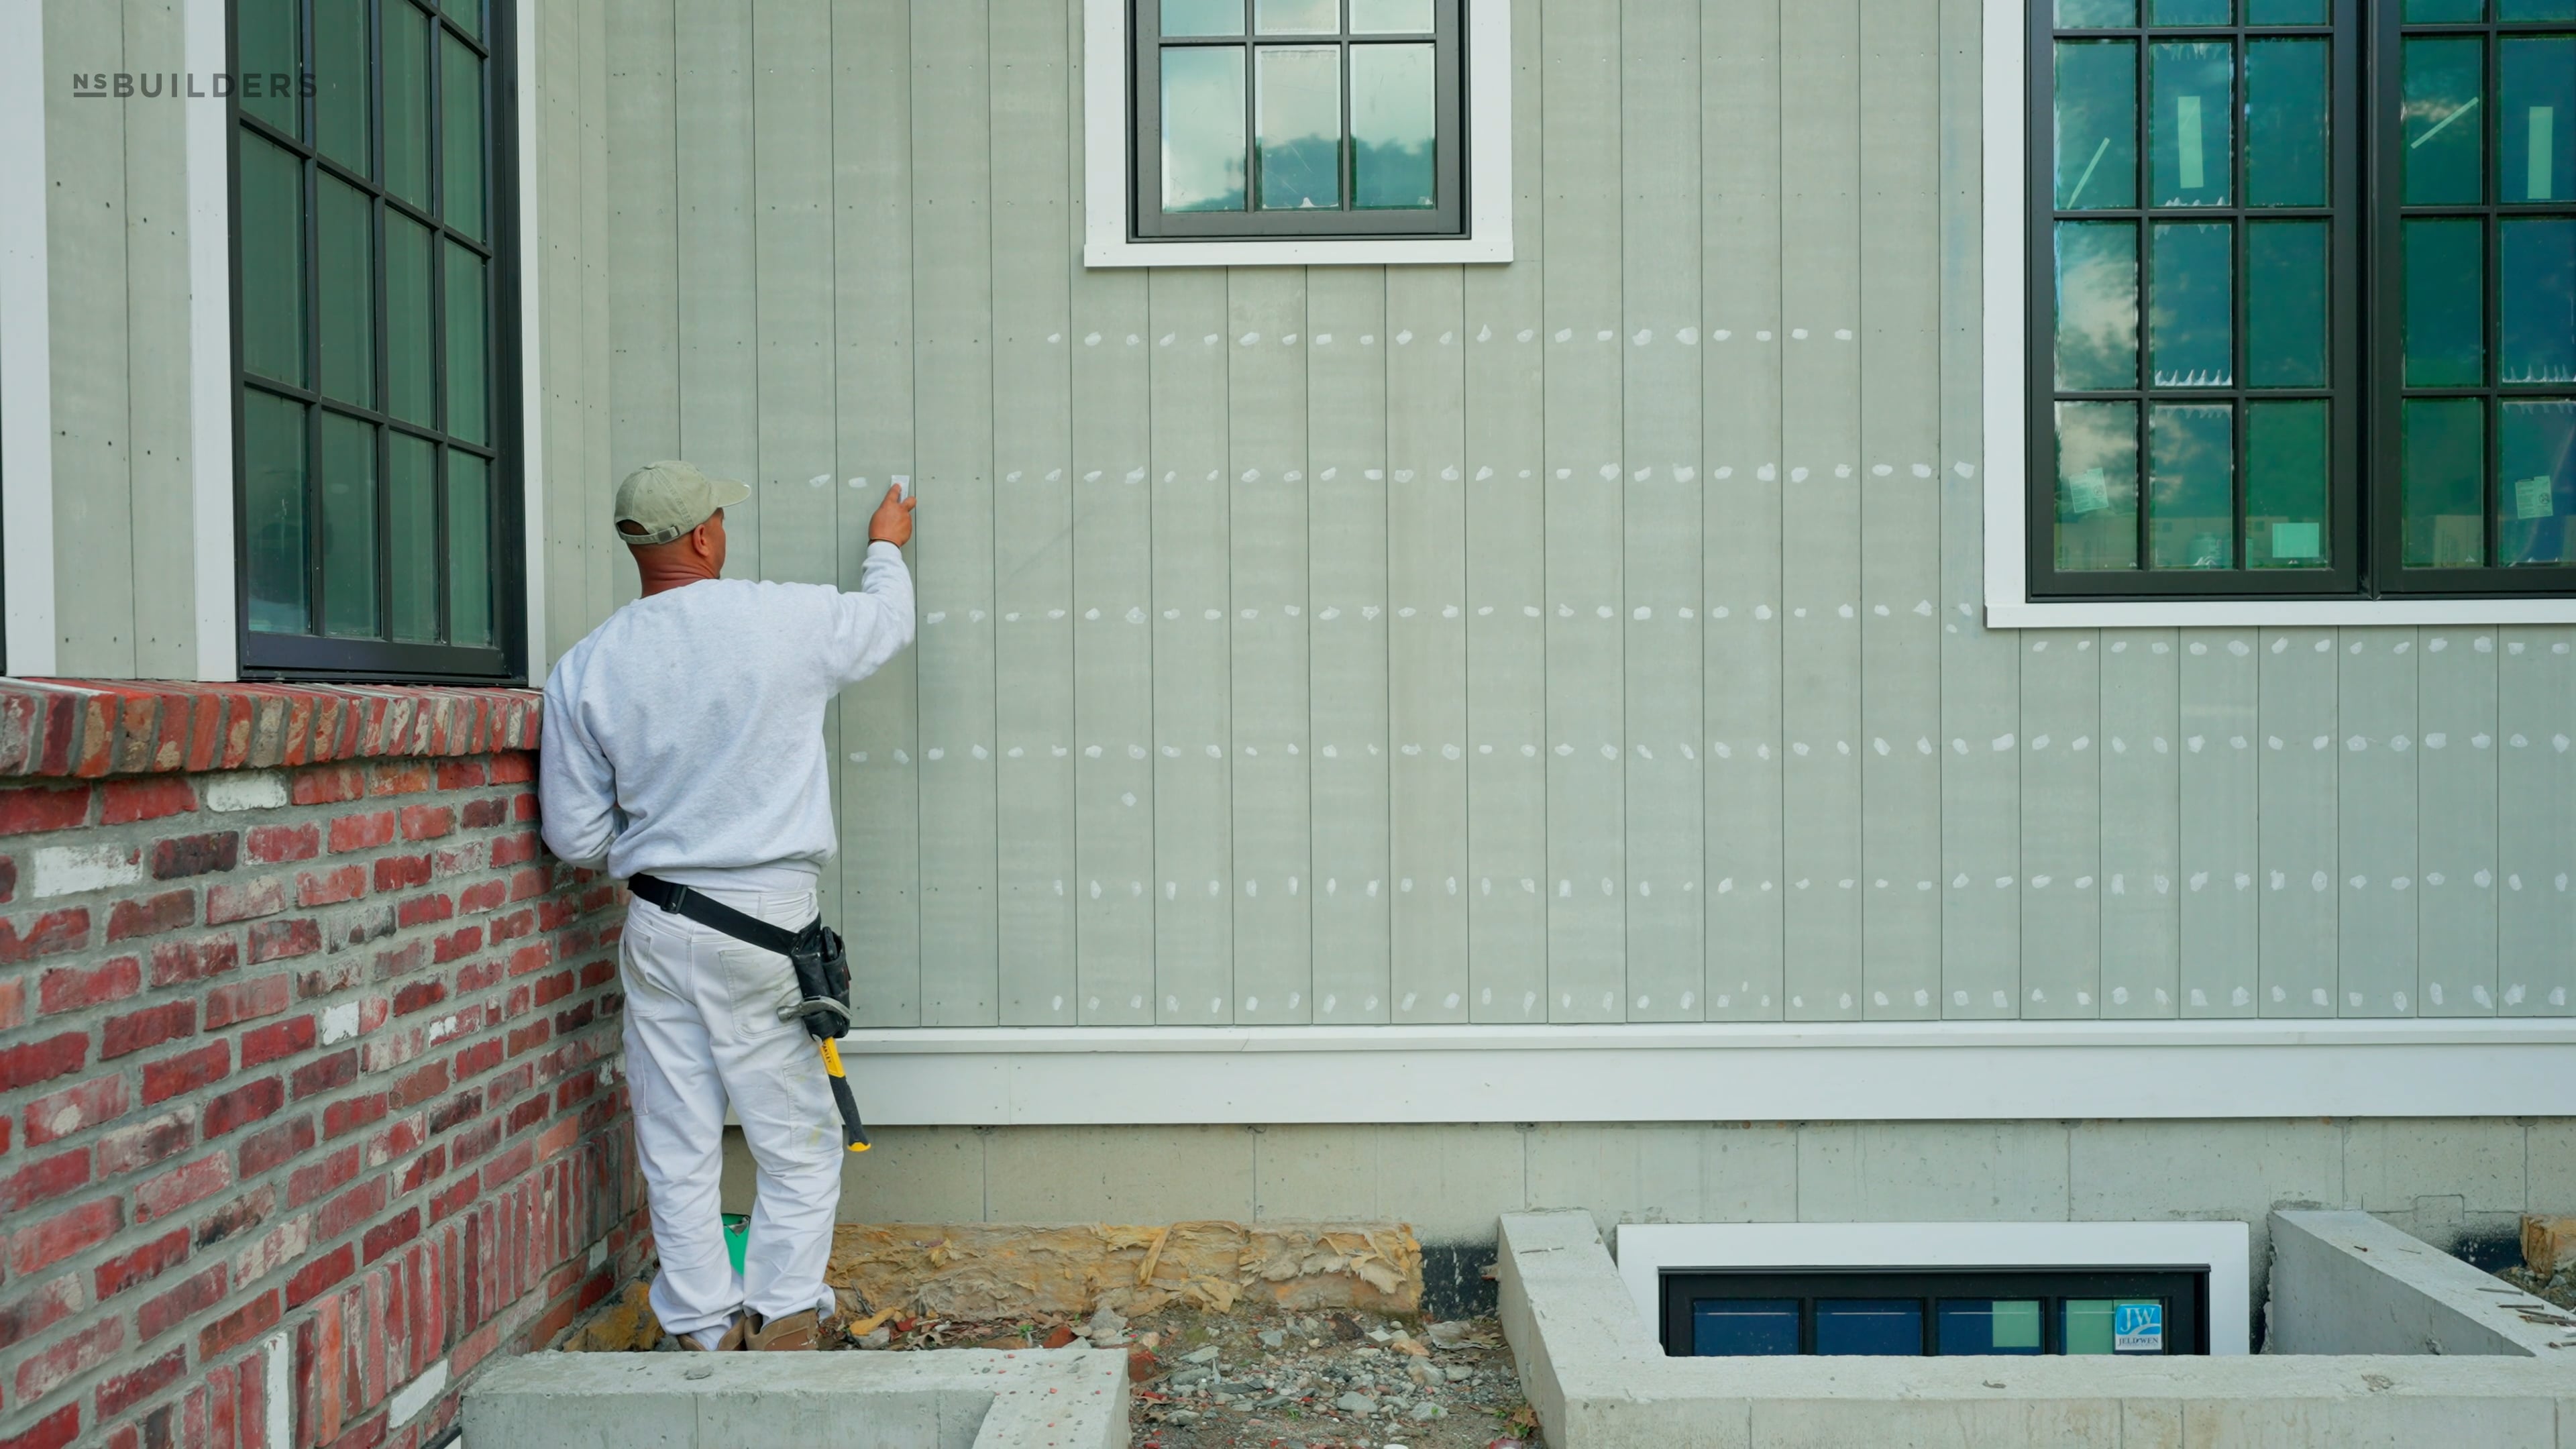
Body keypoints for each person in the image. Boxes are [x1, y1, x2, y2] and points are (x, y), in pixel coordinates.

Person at [538, 461, 915, 1351]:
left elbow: (576, 839)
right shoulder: (784, 619)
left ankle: (703, 1330)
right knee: (798, 1138)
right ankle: (783, 1316)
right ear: (706, 536)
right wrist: (886, 545)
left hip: (661, 925)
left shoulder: (587, 666)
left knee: (675, 1133)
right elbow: (886, 623)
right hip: (766, 925)